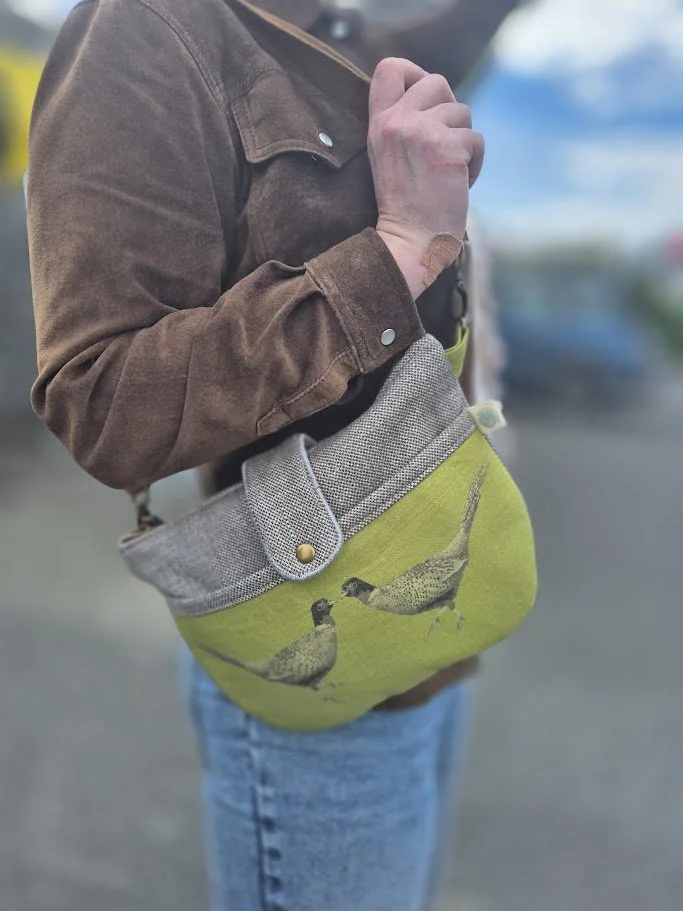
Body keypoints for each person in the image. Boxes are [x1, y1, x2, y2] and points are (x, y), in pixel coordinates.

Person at [27, 1, 503, 908]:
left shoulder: (347, 32)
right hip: (320, 664)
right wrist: (399, 250)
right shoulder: (146, 30)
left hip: (446, 626)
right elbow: (102, 398)